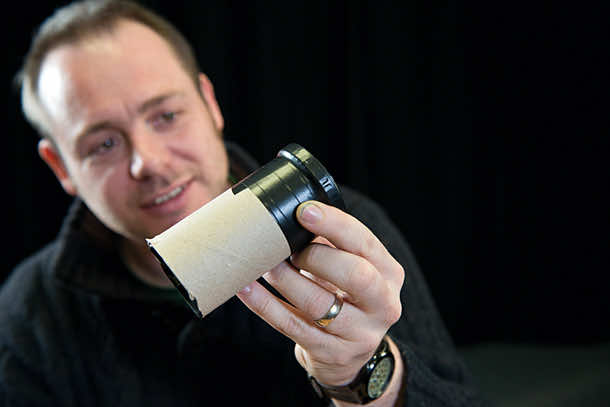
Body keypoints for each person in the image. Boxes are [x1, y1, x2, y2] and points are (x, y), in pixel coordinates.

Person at [0, 1, 486, 406]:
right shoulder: (28, 313)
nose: (148, 162)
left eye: (166, 115)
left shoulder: (340, 230)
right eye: (103, 144)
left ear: (209, 103)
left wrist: (362, 377)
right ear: (61, 167)